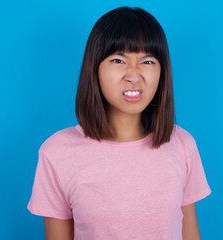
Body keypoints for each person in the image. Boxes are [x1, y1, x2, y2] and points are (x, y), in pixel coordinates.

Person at [27, 6, 211, 240]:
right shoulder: (56, 153)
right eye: (118, 60)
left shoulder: (183, 145)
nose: (134, 75)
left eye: (147, 61)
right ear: (94, 68)